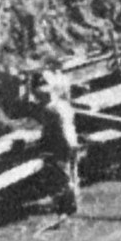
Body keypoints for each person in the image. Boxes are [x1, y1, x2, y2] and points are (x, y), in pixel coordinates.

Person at [36, 82, 80, 214]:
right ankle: (74, 200)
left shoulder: (49, 109)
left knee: (63, 175)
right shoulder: (65, 105)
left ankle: (68, 205)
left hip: (62, 144)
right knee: (73, 172)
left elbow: (48, 130)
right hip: (73, 141)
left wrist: (43, 145)